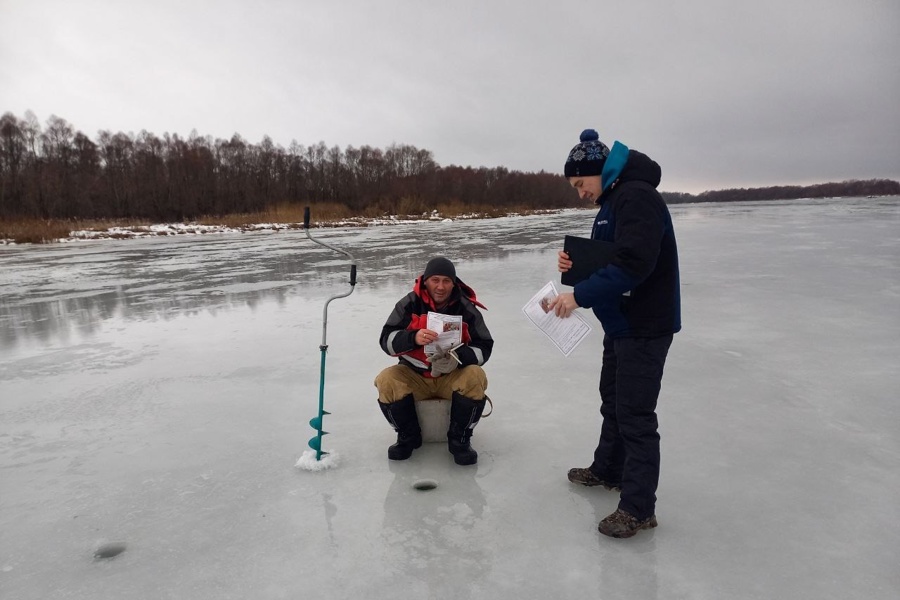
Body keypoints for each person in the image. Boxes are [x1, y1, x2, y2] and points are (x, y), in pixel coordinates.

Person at [549, 129, 681, 539]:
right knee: (614, 402)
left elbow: (635, 263)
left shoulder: (636, 196)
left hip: (644, 325)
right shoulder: (613, 201)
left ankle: (639, 508)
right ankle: (608, 468)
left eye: (580, 184)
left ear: (597, 172)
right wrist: (573, 266)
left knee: (636, 416)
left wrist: (579, 296)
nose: (580, 194)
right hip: (622, 324)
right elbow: (608, 259)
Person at [375, 256, 493, 465]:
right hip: (415, 376)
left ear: (454, 283)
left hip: (451, 377)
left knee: (476, 375)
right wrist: (413, 337)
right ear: (425, 280)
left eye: (446, 281)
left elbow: (485, 346)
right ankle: (408, 436)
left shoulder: (466, 308)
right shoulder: (408, 304)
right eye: (435, 280)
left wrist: (459, 359)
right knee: (386, 378)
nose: (440, 286)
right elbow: (386, 340)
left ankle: (460, 441)